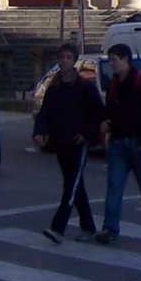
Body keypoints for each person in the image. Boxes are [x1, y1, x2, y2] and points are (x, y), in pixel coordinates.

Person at [96, 42, 141, 243]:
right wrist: (107, 123)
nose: (111, 64)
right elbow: (111, 110)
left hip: (136, 141)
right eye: (109, 60)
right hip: (119, 142)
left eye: (114, 60)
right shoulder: (113, 84)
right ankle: (110, 228)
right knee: (114, 187)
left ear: (125, 59)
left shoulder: (139, 82)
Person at [32, 43, 103, 243]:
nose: (64, 61)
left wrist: (86, 134)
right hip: (61, 141)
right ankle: (88, 226)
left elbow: (97, 113)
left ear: (74, 61)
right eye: (61, 57)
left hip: (78, 142)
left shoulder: (84, 87)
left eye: (68, 58)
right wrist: (40, 132)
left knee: (71, 186)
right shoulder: (54, 87)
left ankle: (58, 227)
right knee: (75, 185)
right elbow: (46, 112)